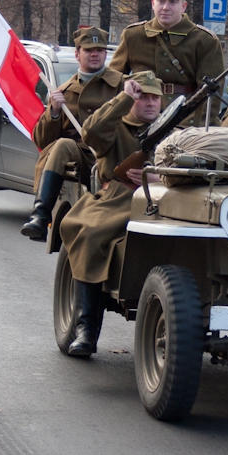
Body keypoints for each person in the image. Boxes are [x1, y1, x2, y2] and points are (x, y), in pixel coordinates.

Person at [59, 71, 165, 356]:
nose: (150, 103)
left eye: (155, 97)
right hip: (119, 198)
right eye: (143, 96)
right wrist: (124, 98)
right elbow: (90, 133)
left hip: (169, 200)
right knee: (91, 235)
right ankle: (86, 329)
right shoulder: (116, 126)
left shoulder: (176, 131)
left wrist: (161, 179)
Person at [21, 26, 124, 241]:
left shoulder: (121, 85)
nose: (94, 54)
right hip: (83, 158)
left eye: (99, 50)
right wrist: (54, 112)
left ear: (106, 54)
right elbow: (40, 140)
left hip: (115, 155)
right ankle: (40, 216)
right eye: (88, 50)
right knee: (61, 145)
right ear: (78, 54)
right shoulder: (63, 91)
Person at [110, 0, 224, 127]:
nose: (165, 7)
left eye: (173, 1)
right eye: (161, 0)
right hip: (138, 119)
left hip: (185, 119)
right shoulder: (134, 35)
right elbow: (113, 79)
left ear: (184, 6)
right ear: (153, 3)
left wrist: (187, 127)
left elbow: (210, 94)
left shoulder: (204, 40)